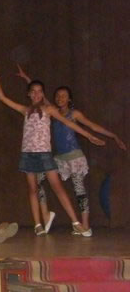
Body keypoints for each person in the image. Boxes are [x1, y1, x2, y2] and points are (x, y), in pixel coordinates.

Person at [0, 63, 105, 236]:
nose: (36, 94)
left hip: (44, 154)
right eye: (33, 91)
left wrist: (88, 135)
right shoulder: (25, 110)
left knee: (58, 187)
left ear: (43, 94)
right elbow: (3, 98)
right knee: (33, 190)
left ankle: (76, 222)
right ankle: (38, 225)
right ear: (29, 94)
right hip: (28, 155)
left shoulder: (49, 109)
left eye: (39, 91)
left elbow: (68, 122)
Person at [16, 65, 127, 236]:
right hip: (59, 158)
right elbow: (37, 95)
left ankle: (84, 225)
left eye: (63, 96)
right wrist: (26, 78)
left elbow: (92, 126)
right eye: (58, 96)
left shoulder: (74, 114)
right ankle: (45, 216)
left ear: (69, 99)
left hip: (74, 156)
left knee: (79, 188)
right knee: (38, 181)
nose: (60, 98)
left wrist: (113, 136)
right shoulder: (50, 110)